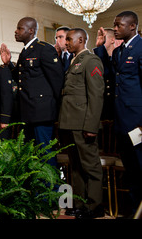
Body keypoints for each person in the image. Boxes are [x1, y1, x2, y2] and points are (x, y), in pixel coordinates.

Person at [1, 17, 64, 167]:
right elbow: (20, 78)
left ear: (31, 30)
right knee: (32, 154)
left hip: (42, 113)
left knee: (45, 154)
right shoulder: (25, 51)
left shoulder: (44, 48)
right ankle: (37, 189)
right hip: (28, 112)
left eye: (20, 28)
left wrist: (53, 108)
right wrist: (9, 63)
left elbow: (57, 80)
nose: (16, 32)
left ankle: (52, 189)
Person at [58, 28, 105, 219]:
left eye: (69, 39)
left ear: (81, 40)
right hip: (69, 122)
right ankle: (79, 204)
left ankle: (95, 206)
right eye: (66, 39)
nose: (66, 42)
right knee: (75, 166)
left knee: (90, 166)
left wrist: (91, 126)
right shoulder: (73, 61)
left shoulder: (91, 60)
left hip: (83, 123)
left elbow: (96, 96)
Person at [109, 11, 142, 214]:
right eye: (115, 25)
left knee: (140, 166)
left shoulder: (141, 47)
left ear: (132, 26)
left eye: (119, 25)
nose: (115, 28)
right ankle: (133, 210)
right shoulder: (120, 51)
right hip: (122, 120)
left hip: (137, 121)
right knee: (130, 170)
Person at [93, 27, 123, 120]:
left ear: (112, 40)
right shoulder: (96, 58)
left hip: (118, 106)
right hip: (102, 107)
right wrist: (100, 47)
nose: (100, 40)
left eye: (103, 37)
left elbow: (110, 72)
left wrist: (100, 49)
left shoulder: (120, 57)